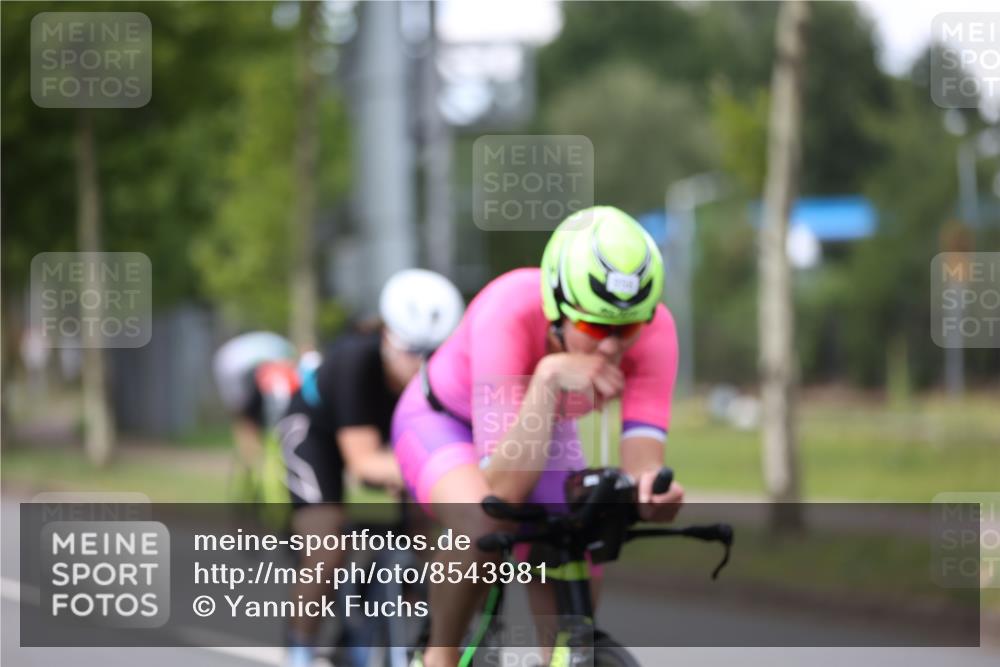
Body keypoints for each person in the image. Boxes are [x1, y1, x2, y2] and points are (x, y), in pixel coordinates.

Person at [391, 207, 686, 667]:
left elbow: (642, 461)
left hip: (537, 431)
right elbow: (502, 490)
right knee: (488, 521)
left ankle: (561, 656)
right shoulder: (507, 307)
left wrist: (649, 491)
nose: (611, 345)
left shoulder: (655, 331)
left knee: (577, 533)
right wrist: (547, 377)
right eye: (593, 325)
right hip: (441, 423)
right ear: (555, 305)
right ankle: (439, 656)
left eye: (625, 328)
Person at [278, 269, 465, 667]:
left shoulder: (444, 376)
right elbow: (363, 463)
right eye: (412, 352)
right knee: (327, 545)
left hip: (389, 434)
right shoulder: (354, 361)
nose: (422, 367)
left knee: (428, 542)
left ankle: (421, 636)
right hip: (316, 432)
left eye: (434, 355)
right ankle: (300, 649)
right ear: (386, 337)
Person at [212, 331, 300, 504]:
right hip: (261, 372)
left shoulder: (229, 356)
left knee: (247, 427)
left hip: (242, 372)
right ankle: (262, 467)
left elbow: (237, 408)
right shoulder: (281, 347)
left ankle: (252, 465)